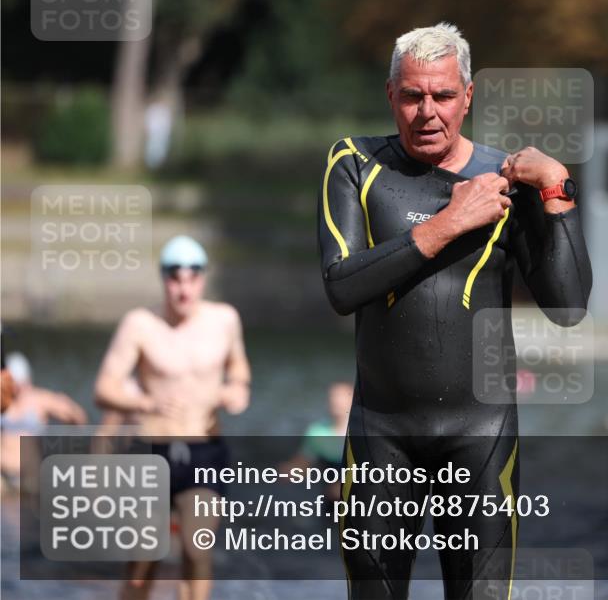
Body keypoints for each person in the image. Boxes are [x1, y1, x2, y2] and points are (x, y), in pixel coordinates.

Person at [318, 22, 592, 599]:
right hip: (381, 434)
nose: (427, 112)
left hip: (481, 437)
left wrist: (557, 189)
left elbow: (567, 306)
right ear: (391, 95)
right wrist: (450, 224)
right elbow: (343, 288)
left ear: (468, 96)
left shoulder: (506, 181)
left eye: (442, 95)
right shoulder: (355, 165)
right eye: (413, 95)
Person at [93, 235, 252, 600]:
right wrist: (147, 404)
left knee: (197, 550)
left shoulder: (224, 319)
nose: (183, 289)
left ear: (203, 278)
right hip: (151, 451)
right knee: (142, 560)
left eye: (191, 278)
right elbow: (103, 389)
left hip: (204, 452)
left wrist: (235, 392)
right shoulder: (140, 324)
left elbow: (240, 372)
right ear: (164, 279)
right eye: (175, 279)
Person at [0, 350, 87, 491]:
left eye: (19, 383)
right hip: (3, 476)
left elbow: (77, 416)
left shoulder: (40, 399)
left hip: (30, 478)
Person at [280, 382, 353, 503]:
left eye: (341, 397)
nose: (336, 401)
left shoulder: (363, 431)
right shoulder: (318, 431)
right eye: (333, 397)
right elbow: (303, 464)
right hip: (329, 498)